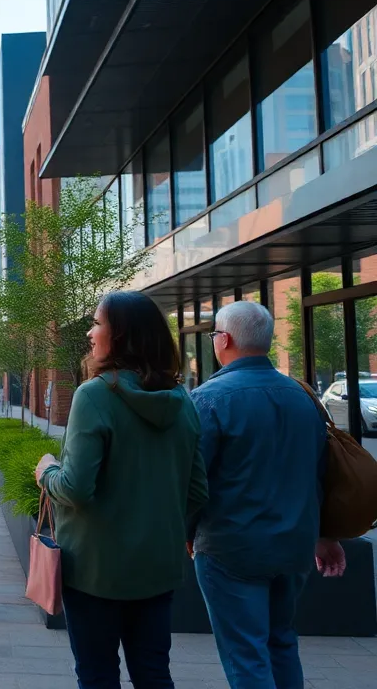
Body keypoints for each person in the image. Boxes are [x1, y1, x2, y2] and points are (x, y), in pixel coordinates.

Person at [34, 291, 208, 686]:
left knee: (97, 674)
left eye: (97, 324)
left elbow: (76, 487)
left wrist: (47, 471)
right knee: (153, 673)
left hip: (96, 571)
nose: (90, 335)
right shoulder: (182, 399)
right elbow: (197, 490)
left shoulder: (94, 395)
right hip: (158, 568)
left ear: (122, 335)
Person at [189, 301, 346, 688]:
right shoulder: (304, 397)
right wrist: (325, 535)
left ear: (223, 339)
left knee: (247, 655)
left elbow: (193, 481)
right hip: (294, 544)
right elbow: (320, 473)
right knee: (281, 643)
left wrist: (186, 532)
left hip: (231, 547)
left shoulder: (208, 399)